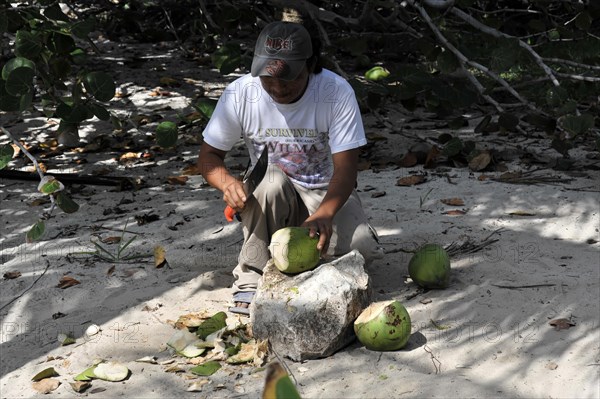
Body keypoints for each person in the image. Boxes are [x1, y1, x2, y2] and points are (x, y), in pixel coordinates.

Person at [197, 21, 383, 315]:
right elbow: (208, 156)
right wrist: (226, 183)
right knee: (270, 178)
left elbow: (346, 171)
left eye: (287, 78)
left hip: (324, 190)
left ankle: (294, 249)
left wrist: (324, 213)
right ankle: (251, 275)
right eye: (268, 78)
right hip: (272, 194)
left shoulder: (335, 92)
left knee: (364, 249)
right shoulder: (241, 93)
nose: (277, 87)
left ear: (311, 66)